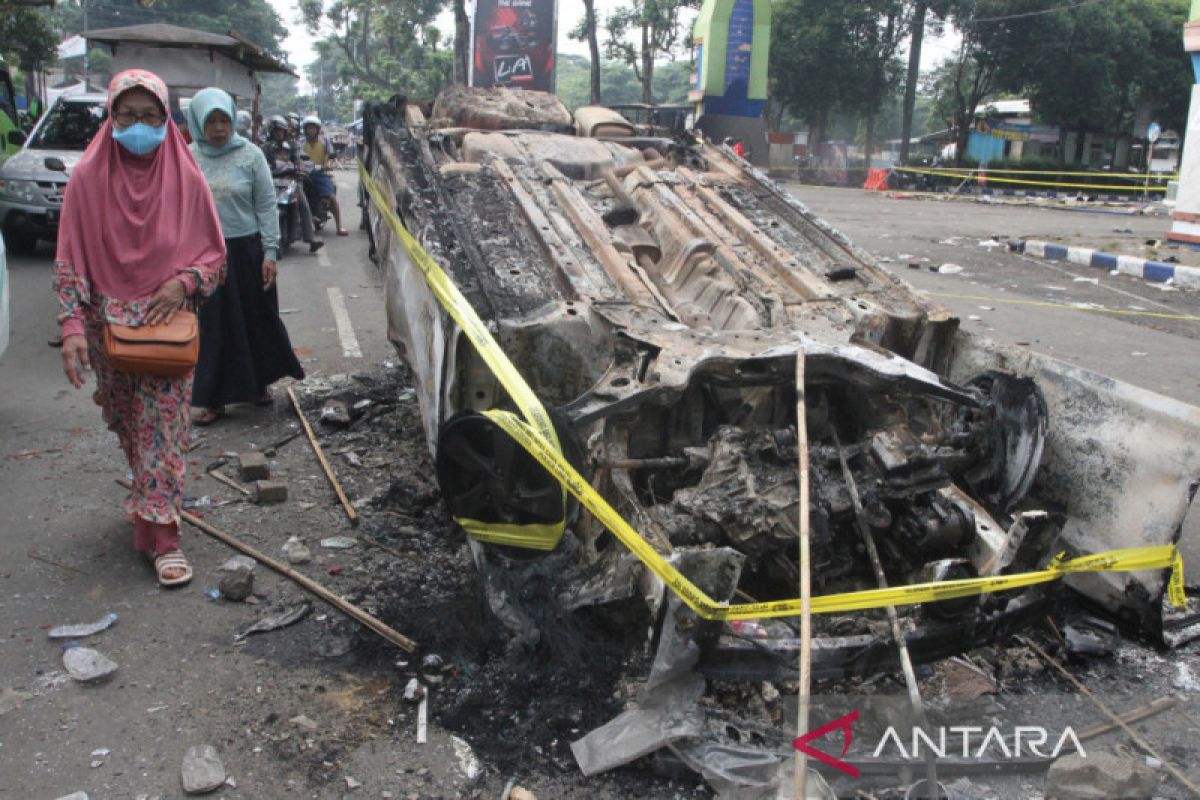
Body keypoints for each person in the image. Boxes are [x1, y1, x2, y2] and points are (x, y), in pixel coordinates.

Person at [54, 69, 227, 587]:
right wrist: (71, 327)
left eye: (151, 116)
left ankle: (164, 536)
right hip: (107, 326)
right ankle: (148, 506)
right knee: (132, 427)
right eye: (127, 115)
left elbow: (215, 256)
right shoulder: (87, 179)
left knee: (164, 431)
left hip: (167, 326)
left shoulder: (188, 177)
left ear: (167, 120)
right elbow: (69, 258)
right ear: (110, 117)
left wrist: (184, 282)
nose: (139, 126)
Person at [186, 88, 305, 426]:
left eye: (224, 120)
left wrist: (270, 252)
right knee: (213, 325)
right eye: (212, 121)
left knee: (256, 317)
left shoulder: (251, 156)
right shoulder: (187, 158)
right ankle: (211, 399)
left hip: (247, 251)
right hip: (206, 253)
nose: (220, 128)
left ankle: (258, 385)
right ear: (198, 122)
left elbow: (267, 205)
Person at [261, 115, 323, 254]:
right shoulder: (264, 148)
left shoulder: (292, 145)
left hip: (290, 181)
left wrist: (300, 168)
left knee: (304, 205)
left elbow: (299, 160)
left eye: (281, 131)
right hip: (271, 182)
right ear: (271, 131)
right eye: (276, 131)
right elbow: (260, 164)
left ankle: (311, 239)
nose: (279, 133)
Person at [301, 115, 348, 236]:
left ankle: (339, 227)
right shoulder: (300, 143)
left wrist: (327, 164)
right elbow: (296, 157)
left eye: (313, 128)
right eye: (309, 128)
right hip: (304, 175)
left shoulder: (325, 141)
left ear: (317, 129)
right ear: (305, 129)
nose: (311, 130)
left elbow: (330, 156)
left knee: (332, 198)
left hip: (321, 174)